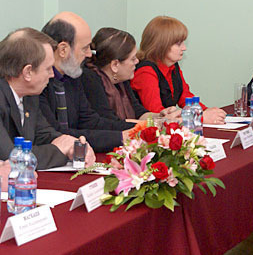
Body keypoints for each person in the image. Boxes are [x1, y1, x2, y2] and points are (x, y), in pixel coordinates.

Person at [40, 12, 135, 153]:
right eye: (85, 48)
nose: (90, 54)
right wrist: (120, 137)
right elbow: (56, 133)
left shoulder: (73, 77)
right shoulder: (38, 82)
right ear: (63, 49)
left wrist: (138, 130)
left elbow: (90, 121)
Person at [0, 27, 95, 169]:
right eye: (48, 68)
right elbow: (10, 159)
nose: (52, 75)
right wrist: (59, 150)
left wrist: (71, 144)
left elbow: (43, 134)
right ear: (27, 72)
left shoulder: (29, 97)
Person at [131, 16, 226, 124]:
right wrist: (201, 117)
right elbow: (157, 114)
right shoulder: (146, 71)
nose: (184, 48)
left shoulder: (172, 65)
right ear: (162, 45)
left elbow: (184, 96)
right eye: (178, 44)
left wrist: (205, 111)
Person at [81, 27, 181, 122]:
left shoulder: (122, 80)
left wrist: (159, 116)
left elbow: (138, 112)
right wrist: (153, 123)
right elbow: (110, 122)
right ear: (115, 65)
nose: (137, 61)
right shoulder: (91, 80)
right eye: (133, 59)